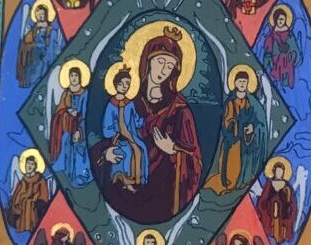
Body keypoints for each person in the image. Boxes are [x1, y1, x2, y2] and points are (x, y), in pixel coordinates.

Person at [95, 25, 202, 223]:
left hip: (161, 196)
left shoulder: (180, 110)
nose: (163, 70)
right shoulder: (128, 101)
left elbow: (194, 159)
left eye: (170, 66)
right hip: (122, 192)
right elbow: (108, 137)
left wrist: (173, 151)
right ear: (147, 61)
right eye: (160, 61)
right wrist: (106, 154)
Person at [205, 68, 266, 194]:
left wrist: (252, 127)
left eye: (244, 81)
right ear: (235, 83)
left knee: (244, 162)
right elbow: (226, 119)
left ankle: (243, 181)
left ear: (248, 83)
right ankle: (229, 182)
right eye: (240, 81)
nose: (242, 84)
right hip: (233, 139)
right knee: (231, 163)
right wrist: (235, 126)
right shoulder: (230, 101)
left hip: (247, 139)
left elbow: (256, 119)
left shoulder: (251, 102)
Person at [100, 67, 148, 192]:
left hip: (130, 135)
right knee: (127, 152)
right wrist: (116, 130)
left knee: (141, 149)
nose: (124, 86)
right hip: (118, 137)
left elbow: (136, 120)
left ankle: (138, 180)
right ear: (115, 84)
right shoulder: (111, 104)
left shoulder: (129, 103)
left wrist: (143, 118)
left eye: (127, 84)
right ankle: (124, 180)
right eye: (121, 83)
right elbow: (106, 127)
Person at [50, 66, 92, 187]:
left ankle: (81, 175)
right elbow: (58, 113)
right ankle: (66, 170)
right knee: (65, 140)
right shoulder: (66, 94)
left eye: (76, 75)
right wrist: (66, 112)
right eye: (71, 76)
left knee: (80, 148)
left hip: (82, 128)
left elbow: (86, 115)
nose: (73, 78)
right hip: (68, 128)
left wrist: (79, 129)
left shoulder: (85, 93)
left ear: (80, 77)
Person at [257, 161, 297, 244]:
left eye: (281, 171)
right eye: (278, 171)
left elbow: (292, 204)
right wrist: (265, 213)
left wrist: (289, 219)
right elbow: (262, 201)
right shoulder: (269, 184)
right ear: (274, 172)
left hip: (283, 218)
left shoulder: (287, 187)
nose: (279, 173)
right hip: (270, 218)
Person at [6, 154, 49, 232]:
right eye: (28, 163)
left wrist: (34, 202)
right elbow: (15, 197)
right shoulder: (22, 182)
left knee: (28, 204)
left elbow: (44, 196)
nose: (29, 166)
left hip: (34, 209)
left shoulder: (40, 181)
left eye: (32, 164)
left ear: (35, 166)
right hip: (20, 211)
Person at [264, 7, 302, 88]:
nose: (281, 21)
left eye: (283, 19)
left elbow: (295, 50)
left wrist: (293, 55)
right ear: (275, 20)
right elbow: (267, 53)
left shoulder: (290, 36)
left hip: (288, 67)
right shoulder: (271, 36)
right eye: (279, 19)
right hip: (275, 66)